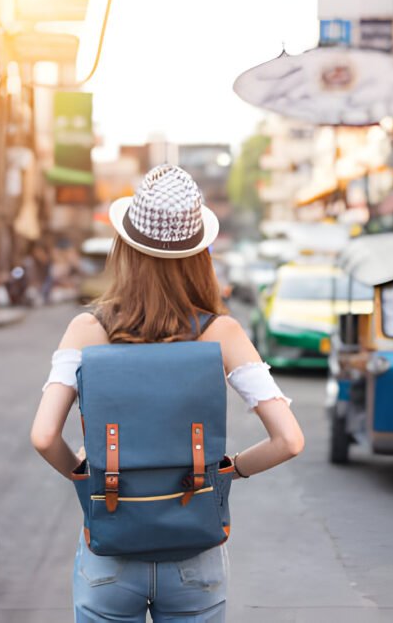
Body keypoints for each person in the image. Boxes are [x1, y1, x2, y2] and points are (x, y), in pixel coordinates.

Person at [31, 164, 304, 622]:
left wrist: (87, 478)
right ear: (200, 255)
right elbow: (289, 440)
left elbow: (43, 437)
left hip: (111, 548)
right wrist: (227, 473)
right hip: (194, 551)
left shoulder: (87, 329)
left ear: (125, 249)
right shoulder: (223, 332)